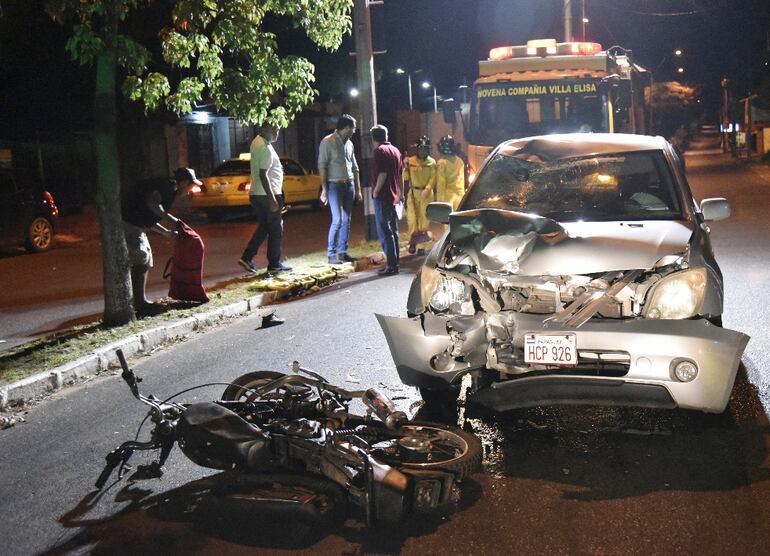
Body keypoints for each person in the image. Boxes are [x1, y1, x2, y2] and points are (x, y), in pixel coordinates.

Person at [122, 167, 201, 316]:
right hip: (128, 222)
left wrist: (165, 232)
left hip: (136, 222)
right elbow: (152, 203)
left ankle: (140, 301)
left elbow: (149, 216)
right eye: (191, 185)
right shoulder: (169, 186)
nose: (191, 190)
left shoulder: (167, 187)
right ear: (183, 183)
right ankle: (139, 304)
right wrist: (172, 220)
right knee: (141, 258)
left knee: (145, 259)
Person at [238, 122, 292, 275]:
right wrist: (272, 199)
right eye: (274, 129)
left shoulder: (258, 142)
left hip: (258, 194)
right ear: (264, 129)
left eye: (278, 129)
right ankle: (274, 264)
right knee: (276, 229)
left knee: (265, 227)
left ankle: (247, 257)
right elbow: (263, 174)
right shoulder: (264, 147)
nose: (277, 132)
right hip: (267, 194)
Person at [318, 114, 362, 264]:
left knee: (346, 219)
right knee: (337, 219)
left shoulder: (349, 144)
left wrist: (358, 189)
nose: (354, 131)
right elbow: (322, 166)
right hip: (334, 185)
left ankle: (342, 252)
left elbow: (355, 167)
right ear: (346, 128)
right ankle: (331, 254)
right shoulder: (327, 142)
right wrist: (324, 189)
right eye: (353, 128)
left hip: (348, 184)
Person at [370, 125, 403, 275]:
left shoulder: (379, 152)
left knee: (384, 229)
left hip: (383, 195)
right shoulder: (396, 151)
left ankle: (391, 264)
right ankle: (395, 261)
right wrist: (401, 192)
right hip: (394, 195)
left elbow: (382, 174)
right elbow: (400, 175)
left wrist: (375, 191)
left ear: (373, 138)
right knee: (393, 230)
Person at [403, 136, 436, 255]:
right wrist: (405, 167)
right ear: (417, 149)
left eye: (426, 149)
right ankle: (413, 241)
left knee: (424, 220)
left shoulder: (432, 162)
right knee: (412, 218)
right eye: (421, 149)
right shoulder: (410, 161)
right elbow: (405, 178)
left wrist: (427, 189)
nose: (423, 151)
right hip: (413, 193)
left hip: (426, 194)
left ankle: (421, 246)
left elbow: (433, 178)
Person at [435, 135, 466, 211]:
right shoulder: (460, 161)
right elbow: (462, 181)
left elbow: (441, 183)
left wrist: (440, 202)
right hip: (460, 195)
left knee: (447, 221)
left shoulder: (442, 163)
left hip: (447, 196)